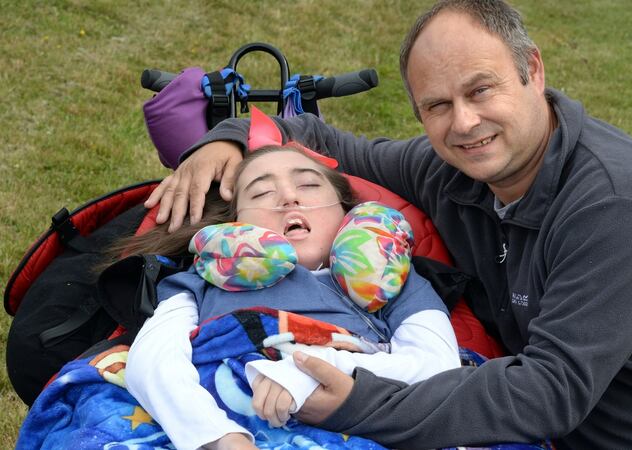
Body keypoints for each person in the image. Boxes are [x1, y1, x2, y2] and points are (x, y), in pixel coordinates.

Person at [145, 1, 632, 448]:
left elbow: (550, 390)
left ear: (533, 71)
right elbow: (313, 133)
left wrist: (352, 401)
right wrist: (228, 141)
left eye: (480, 90)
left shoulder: (616, 203)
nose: (462, 123)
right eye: (436, 105)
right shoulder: (449, 168)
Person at [125, 145, 461, 449]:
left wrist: (316, 369)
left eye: (309, 185)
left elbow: (440, 367)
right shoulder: (203, 280)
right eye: (261, 193)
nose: (289, 198)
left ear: (347, 211)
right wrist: (216, 437)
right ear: (236, 224)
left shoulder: (392, 280)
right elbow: (152, 360)